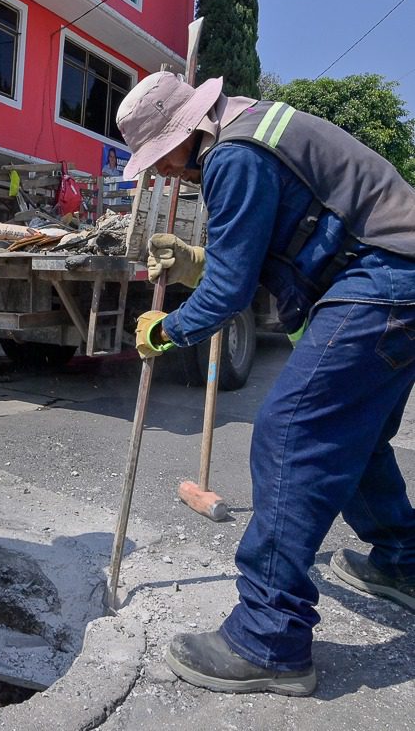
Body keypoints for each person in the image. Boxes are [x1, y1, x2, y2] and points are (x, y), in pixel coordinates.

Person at [117, 71, 415, 696]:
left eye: (162, 161)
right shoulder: (250, 131)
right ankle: (404, 563)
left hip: (382, 279)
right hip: (395, 275)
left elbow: (228, 295)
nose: (168, 176)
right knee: (351, 438)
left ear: (183, 133)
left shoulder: (233, 155)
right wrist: (197, 258)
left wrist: (164, 331)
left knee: (290, 433)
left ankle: (269, 637)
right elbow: (259, 253)